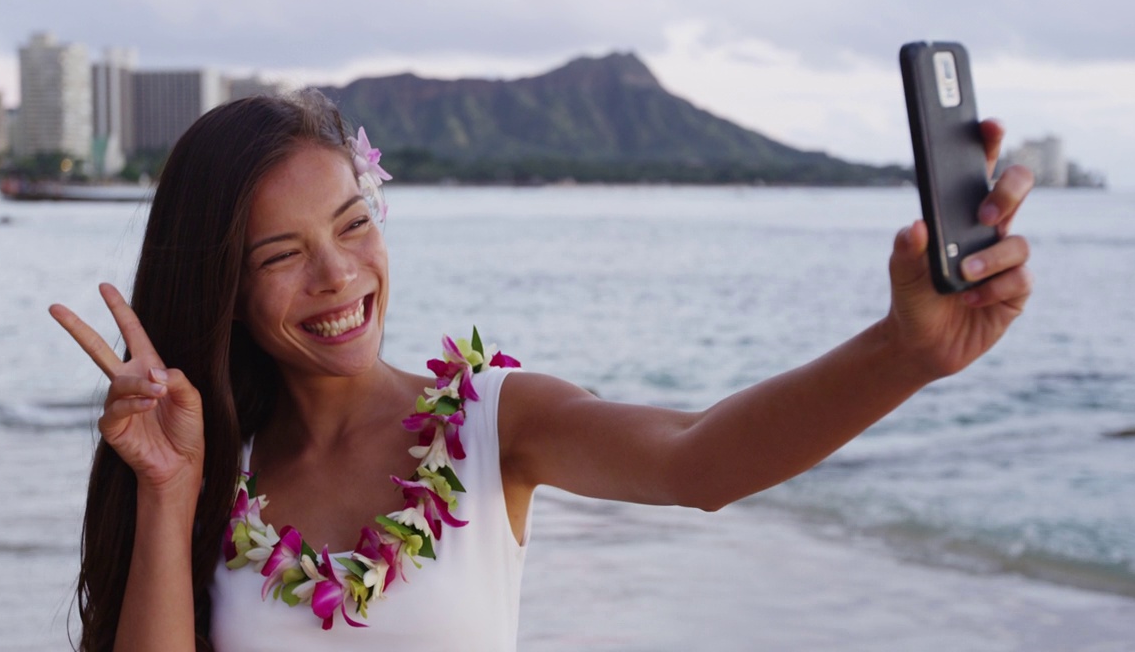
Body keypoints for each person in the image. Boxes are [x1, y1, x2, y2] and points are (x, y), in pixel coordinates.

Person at [50, 90, 1033, 651]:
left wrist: (901, 353)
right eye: (280, 255)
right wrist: (170, 491)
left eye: (353, 226)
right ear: (220, 282)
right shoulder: (215, 468)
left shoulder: (491, 420)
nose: (337, 275)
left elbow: (697, 460)